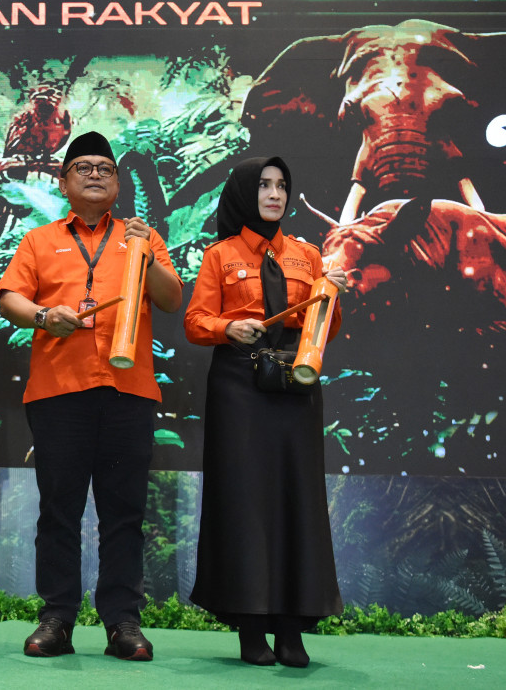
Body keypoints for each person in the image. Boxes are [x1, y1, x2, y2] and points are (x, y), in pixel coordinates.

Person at [0, 131, 183, 661]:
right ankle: (57, 616)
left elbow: (172, 300)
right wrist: (42, 316)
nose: (96, 174)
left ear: (119, 183)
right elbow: (10, 296)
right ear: (64, 180)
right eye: (84, 167)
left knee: (123, 511)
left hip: (129, 391)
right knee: (60, 510)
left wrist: (147, 255)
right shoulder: (40, 240)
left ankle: (123, 620)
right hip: (59, 391)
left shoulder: (141, 237)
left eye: (105, 167)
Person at [183, 156, 348, 668]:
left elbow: (328, 327)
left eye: (281, 185)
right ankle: (251, 628)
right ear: (242, 193)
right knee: (245, 503)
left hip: (294, 386)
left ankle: (292, 629)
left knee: (297, 498)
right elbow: (194, 321)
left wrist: (330, 296)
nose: (275, 194)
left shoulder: (308, 254)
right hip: (238, 387)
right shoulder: (220, 255)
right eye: (264, 185)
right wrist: (227, 328)